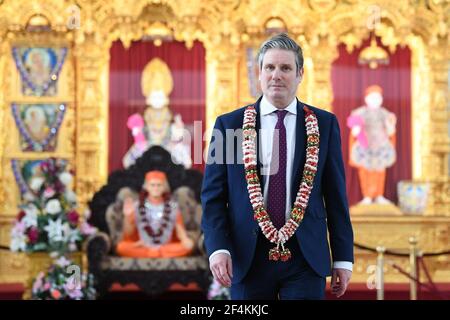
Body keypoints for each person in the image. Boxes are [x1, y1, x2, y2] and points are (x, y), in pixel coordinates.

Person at [201, 33, 354, 299]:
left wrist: (343, 258)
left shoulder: (324, 124)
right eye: (269, 67)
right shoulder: (228, 125)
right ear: (259, 73)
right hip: (248, 255)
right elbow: (213, 197)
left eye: (285, 68)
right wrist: (218, 248)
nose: (276, 75)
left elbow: (336, 196)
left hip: (305, 256)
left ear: (300, 74)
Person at [116, 170, 194, 258]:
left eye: (159, 185)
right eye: (152, 185)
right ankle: (155, 253)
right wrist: (127, 216)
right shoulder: (137, 205)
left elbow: (180, 231)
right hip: (144, 246)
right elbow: (128, 233)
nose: (155, 188)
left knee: (189, 246)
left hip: (165, 247)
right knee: (121, 247)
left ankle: (154, 252)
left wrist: (186, 240)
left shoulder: (173, 206)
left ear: (164, 187)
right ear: (146, 187)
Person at [347, 85, 396, 205]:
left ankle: (379, 195)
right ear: (366, 99)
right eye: (372, 98)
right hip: (365, 145)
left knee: (380, 171)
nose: (375, 100)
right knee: (365, 170)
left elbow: (390, 130)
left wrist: (390, 127)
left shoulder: (385, 113)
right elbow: (354, 128)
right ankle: (367, 196)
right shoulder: (359, 113)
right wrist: (356, 130)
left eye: (378, 98)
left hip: (381, 144)